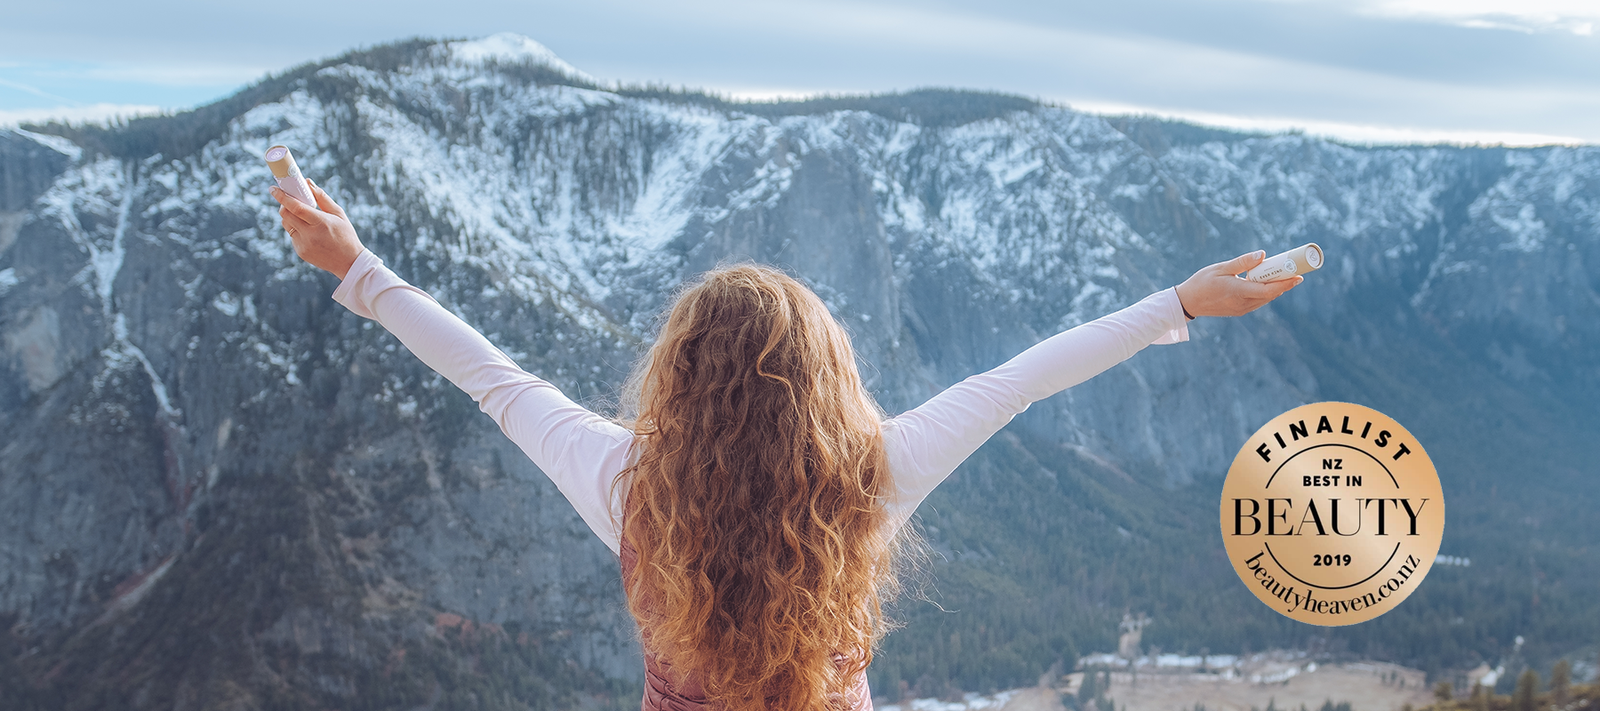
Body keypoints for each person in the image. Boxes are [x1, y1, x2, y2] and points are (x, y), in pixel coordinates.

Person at [272, 181, 1299, 711]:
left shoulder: (627, 482)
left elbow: (491, 378)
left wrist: (356, 265)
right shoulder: (872, 477)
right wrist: (1177, 303)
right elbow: (1022, 377)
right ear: (827, 377)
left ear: (675, 377)